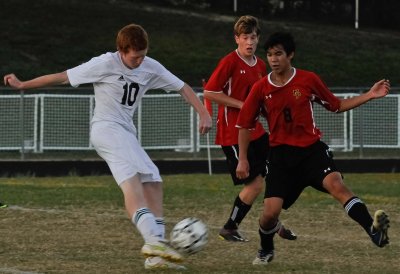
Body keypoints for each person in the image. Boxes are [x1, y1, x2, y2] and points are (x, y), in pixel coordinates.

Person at [4, 23, 212, 270]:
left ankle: (156, 253)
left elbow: (183, 87)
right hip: (106, 129)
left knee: (154, 180)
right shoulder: (104, 63)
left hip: (125, 133)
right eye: (135, 58)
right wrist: (23, 85)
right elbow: (62, 77)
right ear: (121, 51)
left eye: (143, 56)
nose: (139, 62)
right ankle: (154, 242)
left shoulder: (150, 65)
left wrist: (204, 114)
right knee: (134, 182)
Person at [236, 31, 391, 265]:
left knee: (337, 186)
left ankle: (374, 230)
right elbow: (245, 125)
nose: (273, 59)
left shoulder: (307, 80)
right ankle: (266, 249)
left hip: (311, 152)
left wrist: (369, 94)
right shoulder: (260, 88)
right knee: (269, 215)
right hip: (280, 157)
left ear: (291, 55)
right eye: (269, 55)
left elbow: (336, 105)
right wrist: (243, 159)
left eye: (278, 54)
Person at [203, 15, 296, 242]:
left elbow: (261, 97)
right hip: (232, 134)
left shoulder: (261, 65)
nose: (250, 42)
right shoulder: (229, 62)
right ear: (237, 39)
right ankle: (230, 227)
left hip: (256, 131)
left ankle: (271, 222)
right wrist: (243, 106)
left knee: (278, 172)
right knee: (255, 185)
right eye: (245, 37)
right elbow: (210, 92)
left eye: (253, 37)